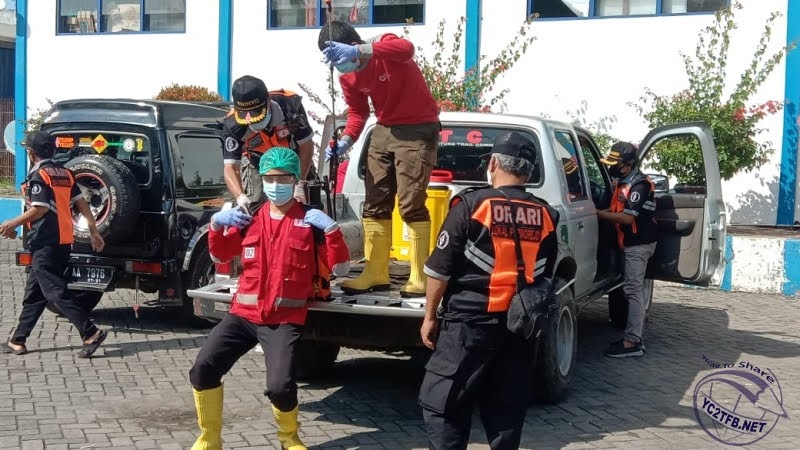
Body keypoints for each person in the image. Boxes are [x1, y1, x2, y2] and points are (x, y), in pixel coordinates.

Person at [188, 147, 350, 450]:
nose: (276, 184)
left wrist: (331, 230)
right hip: (242, 316)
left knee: (280, 387)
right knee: (203, 368)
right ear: (262, 179)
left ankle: (290, 439)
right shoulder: (250, 219)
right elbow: (220, 254)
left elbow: (340, 269)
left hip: (282, 320)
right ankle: (209, 438)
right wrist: (216, 225)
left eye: (283, 177)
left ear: (295, 179)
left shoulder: (311, 223)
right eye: (270, 178)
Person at [418, 132, 559, 449]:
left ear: (493, 163)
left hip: (468, 327)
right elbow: (547, 275)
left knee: (444, 407)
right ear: (529, 171)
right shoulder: (547, 215)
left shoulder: (470, 205)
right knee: (506, 415)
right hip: (520, 331)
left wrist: (429, 317)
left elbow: (439, 270)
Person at [318, 20, 440, 297]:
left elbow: (406, 49)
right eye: (332, 60)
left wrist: (362, 51)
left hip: (418, 127)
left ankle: (420, 276)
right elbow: (358, 111)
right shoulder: (346, 77)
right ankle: (376, 273)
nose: (339, 65)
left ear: (350, 46)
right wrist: (347, 139)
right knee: (374, 202)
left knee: (410, 204)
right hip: (384, 128)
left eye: (340, 56)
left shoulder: (385, 45)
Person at [1, 130, 107, 358]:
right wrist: (93, 230)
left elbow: (39, 209)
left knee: (55, 292)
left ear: (31, 153)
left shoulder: (40, 176)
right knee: (35, 294)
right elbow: (82, 204)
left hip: (45, 242)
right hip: (63, 242)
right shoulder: (65, 173)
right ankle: (18, 340)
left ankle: (91, 333)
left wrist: (12, 223)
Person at [597, 141, 658, 358]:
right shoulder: (623, 183)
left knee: (633, 290)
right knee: (630, 289)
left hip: (639, 245)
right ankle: (631, 337)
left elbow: (625, 217)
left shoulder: (639, 186)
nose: (613, 167)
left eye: (617, 164)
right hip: (630, 243)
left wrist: (598, 214)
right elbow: (615, 208)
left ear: (629, 164)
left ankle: (633, 342)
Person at [222, 75, 315, 208]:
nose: (253, 122)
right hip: (258, 163)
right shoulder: (232, 125)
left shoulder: (289, 106)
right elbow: (230, 167)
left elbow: (306, 145)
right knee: (256, 202)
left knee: (306, 200)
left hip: (295, 157)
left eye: (257, 116)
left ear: (268, 101)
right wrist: (240, 197)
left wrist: (300, 182)